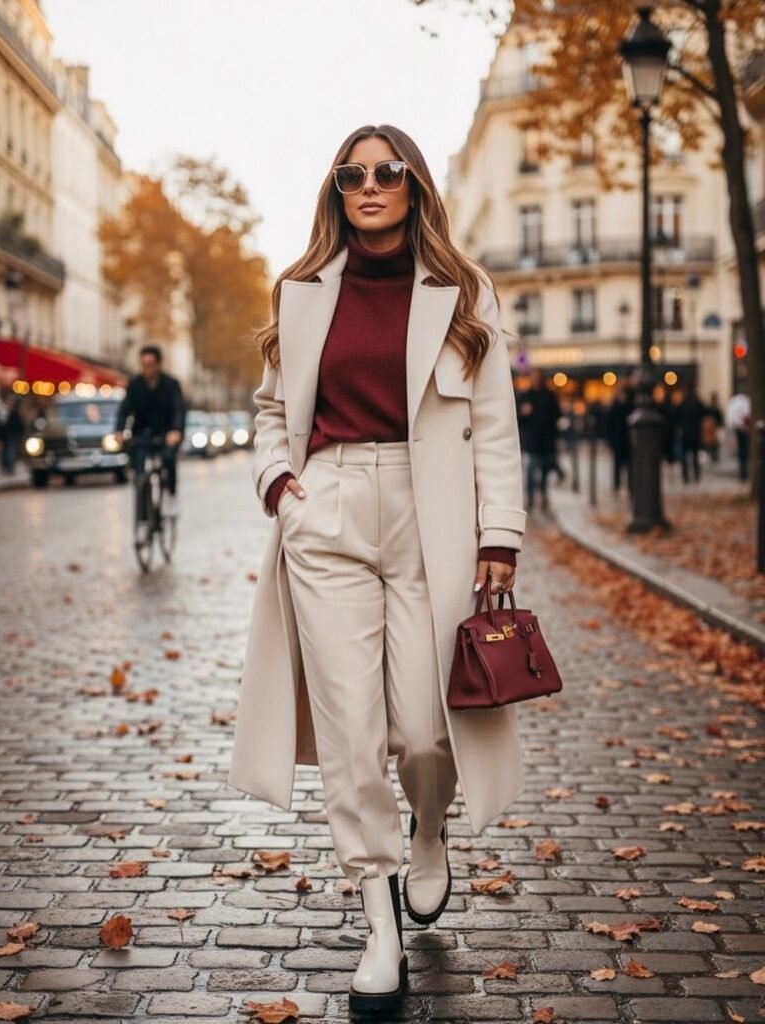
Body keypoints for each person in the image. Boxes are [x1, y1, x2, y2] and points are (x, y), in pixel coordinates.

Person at [227, 124, 526, 1013]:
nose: (369, 185)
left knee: (427, 730)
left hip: (435, 513)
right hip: (328, 512)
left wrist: (500, 537)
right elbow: (270, 410)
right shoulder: (300, 289)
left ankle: (430, 830)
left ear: (413, 185)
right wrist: (280, 484)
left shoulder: (464, 290)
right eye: (351, 175)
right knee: (351, 734)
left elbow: (496, 424)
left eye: (387, 172)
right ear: (336, 191)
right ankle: (379, 924)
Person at [115, 345, 185, 530]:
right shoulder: (135, 384)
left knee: (168, 459)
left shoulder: (171, 385)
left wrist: (176, 430)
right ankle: (143, 515)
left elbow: (179, 409)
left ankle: (171, 496)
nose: (147, 369)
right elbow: (125, 409)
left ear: (159, 364)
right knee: (138, 471)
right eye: (144, 365)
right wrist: (120, 430)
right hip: (142, 434)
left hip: (165, 433)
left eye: (151, 365)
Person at [517, 368, 560, 512]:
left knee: (545, 473)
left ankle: (543, 498)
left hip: (547, 442)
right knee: (530, 472)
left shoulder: (550, 395)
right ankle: (530, 500)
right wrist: (524, 413)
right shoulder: (526, 396)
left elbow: (557, 415)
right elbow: (519, 420)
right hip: (532, 442)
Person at [604, 382, 633, 493]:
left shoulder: (630, 402)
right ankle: (617, 484)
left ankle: (630, 485)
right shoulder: (615, 404)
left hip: (627, 438)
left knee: (629, 464)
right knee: (617, 464)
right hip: (618, 438)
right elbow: (610, 422)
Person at [678, 386, 706, 484]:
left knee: (684, 456)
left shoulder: (683, 403)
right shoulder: (697, 402)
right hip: (695, 432)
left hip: (686, 433)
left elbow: (677, 416)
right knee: (695, 456)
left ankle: (685, 476)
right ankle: (696, 475)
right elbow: (704, 413)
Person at [725, 391, 751, 481]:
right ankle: (744, 472)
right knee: (744, 451)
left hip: (738, 428)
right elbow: (747, 414)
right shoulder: (745, 401)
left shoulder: (734, 401)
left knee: (742, 451)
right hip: (743, 429)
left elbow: (730, 418)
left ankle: (743, 472)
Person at [0, 392, 24, 475]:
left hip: (12, 434)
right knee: (7, 450)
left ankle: (9, 467)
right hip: (7, 435)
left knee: (10, 450)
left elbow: (19, 423)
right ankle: (7, 466)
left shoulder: (14, 411)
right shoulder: (4, 410)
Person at [701, 391, 723, 463]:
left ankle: (714, 455)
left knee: (715, 442)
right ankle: (711, 454)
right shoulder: (709, 408)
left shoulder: (716, 408)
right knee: (709, 442)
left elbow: (720, 419)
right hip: (709, 427)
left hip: (714, 427)